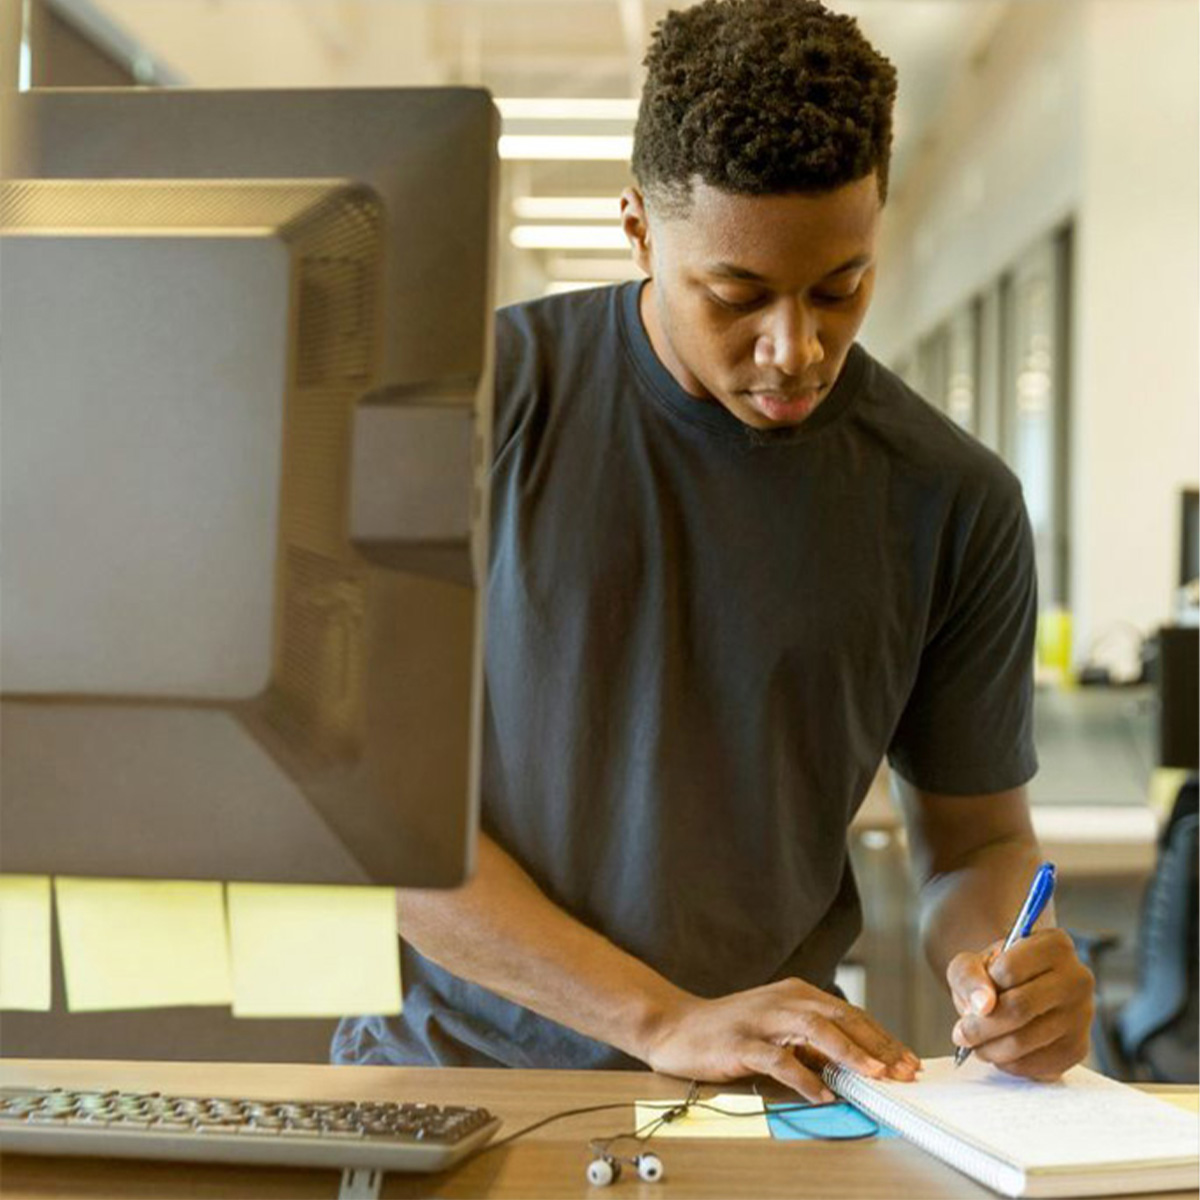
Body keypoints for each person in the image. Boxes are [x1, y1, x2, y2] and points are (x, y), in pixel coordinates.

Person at [334, 0, 1094, 1100]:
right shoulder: (470, 407)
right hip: (453, 1084)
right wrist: (657, 1018)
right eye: (737, 295)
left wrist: (1009, 979)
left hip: (760, 1100)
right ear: (639, 227)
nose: (797, 348)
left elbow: (976, 848)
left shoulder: (953, 499)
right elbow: (371, 815)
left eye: (841, 288)